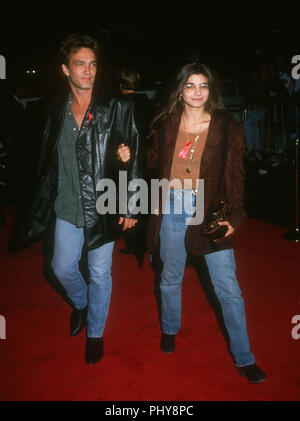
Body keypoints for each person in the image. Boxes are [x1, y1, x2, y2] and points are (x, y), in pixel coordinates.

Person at [145, 62, 266, 384]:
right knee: (169, 278)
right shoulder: (166, 123)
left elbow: (237, 177)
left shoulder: (228, 128)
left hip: (210, 208)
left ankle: (244, 357)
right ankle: (170, 329)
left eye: (204, 85)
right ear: (180, 90)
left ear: (211, 90)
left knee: (229, 290)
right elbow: (154, 163)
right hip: (171, 206)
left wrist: (235, 218)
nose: (197, 92)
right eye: (190, 85)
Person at [26, 34, 143, 365]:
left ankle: (95, 333)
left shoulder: (116, 107)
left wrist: (133, 204)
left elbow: (133, 157)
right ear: (65, 69)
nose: (88, 71)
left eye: (93, 64)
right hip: (65, 206)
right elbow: (45, 163)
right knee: (61, 268)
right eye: (80, 64)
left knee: (100, 273)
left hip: (102, 206)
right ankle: (81, 303)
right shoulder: (54, 113)